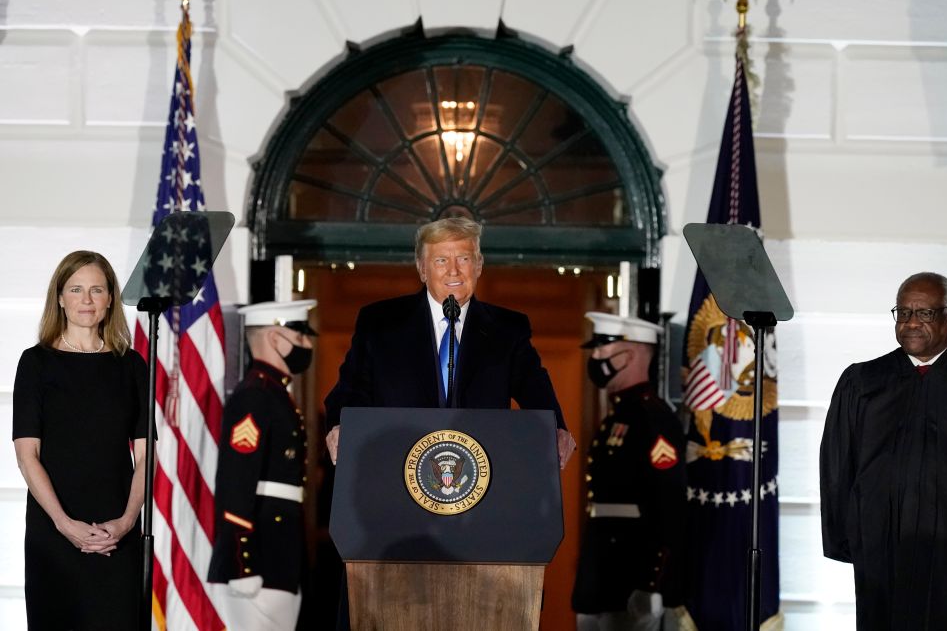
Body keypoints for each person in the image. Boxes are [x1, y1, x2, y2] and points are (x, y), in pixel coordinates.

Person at [820, 272, 947, 630]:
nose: (911, 323)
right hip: (886, 546)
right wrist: (847, 537)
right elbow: (838, 465)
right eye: (903, 313)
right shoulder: (863, 382)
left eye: (924, 313)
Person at [324, 216, 576, 468]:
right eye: (441, 260)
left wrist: (556, 429)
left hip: (480, 475)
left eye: (464, 259)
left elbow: (535, 390)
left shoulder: (507, 329)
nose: (453, 271)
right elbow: (350, 390)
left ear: (479, 265)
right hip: (396, 469)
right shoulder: (380, 322)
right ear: (422, 269)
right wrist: (340, 426)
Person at [12, 250, 148, 630]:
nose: (86, 300)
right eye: (76, 289)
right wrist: (64, 524)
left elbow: (146, 456)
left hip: (116, 532)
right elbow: (27, 456)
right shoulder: (36, 363)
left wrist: (125, 522)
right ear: (60, 298)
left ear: (110, 299)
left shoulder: (132, 365)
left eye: (96, 290)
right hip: (54, 531)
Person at [572, 312, 690, 631]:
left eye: (603, 349)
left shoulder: (653, 419)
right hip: (600, 577)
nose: (596, 357)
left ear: (631, 354)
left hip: (631, 576)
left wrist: (653, 582)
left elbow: (670, 504)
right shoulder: (617, 416)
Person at [208, 299, 317, 630]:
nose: (307, 344)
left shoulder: (275, 393)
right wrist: (243, 563)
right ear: (274, 337)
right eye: (300, 336)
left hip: (279, 551)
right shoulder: (255, 395)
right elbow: (236, 481)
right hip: (258, 555)